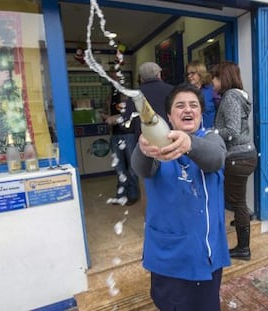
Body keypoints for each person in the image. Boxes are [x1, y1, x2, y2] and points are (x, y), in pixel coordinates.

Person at [131, 83, 230, 311]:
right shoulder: (155, 144)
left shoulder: (212, 139)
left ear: (200, 113)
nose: (188, 110)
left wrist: (189, 143)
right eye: (180, 106)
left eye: (194, 105)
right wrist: (143, 149)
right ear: (168, 116)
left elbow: (215, 159)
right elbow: (142, 169)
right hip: (168, 255)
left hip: (204, 254)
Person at [211, 61, 258, 261]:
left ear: (223, 77)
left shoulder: (230, 97)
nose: (213, 82)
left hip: (237, 157)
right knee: (239, 201)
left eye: (215, 77)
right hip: (246, 155)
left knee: (237, 203)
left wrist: (211, 132)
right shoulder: (239, 95)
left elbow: (231, 131)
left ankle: (243, 248)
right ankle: (245, 218)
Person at [104, 69, 140, 206]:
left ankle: (133, 194)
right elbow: (104, 111)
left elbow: (132, 114)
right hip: (115, 135)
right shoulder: (109, 96)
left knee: (132, 166)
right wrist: (105, 117)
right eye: (111, 78)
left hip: (128, 134)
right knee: (118, 167)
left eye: (116, 78)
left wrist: (113, 118)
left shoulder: (128, 95)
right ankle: (121, 194)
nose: (114, 80)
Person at [186, 60, 220, 129]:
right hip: (193, 133)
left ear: (200, 73)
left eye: (192, 73)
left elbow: (221, 111)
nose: (189, 76)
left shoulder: (212, 90)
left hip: (210, 133)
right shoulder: (186, 92)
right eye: (188, 74)